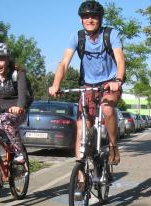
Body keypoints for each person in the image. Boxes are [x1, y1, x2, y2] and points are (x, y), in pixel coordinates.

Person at [48, 0, 126, 165]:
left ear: (100, 19)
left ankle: (113, 145)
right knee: (82, 129)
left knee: (107, 108)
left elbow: (120, 59)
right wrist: (56, 84)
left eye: (94, 16)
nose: (90, 20)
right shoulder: (77, 37)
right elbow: (64, 63)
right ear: (81, 19)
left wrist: (118, 80)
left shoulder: (111, 34)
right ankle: (81, 173)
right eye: (85, 16)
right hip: (88, 86)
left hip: (110, 82)